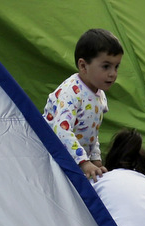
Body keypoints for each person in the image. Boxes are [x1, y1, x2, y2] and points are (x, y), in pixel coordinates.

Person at [43, 29, 121, 181]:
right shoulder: (71, 92)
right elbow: (61, 130)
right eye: (106, 66)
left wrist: (95, 159)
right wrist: (84, 162)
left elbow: (92, 132)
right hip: (53, 161)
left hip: (74, 162)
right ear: (83, 66)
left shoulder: (100, 95)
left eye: (116, 66)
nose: (113, 73)